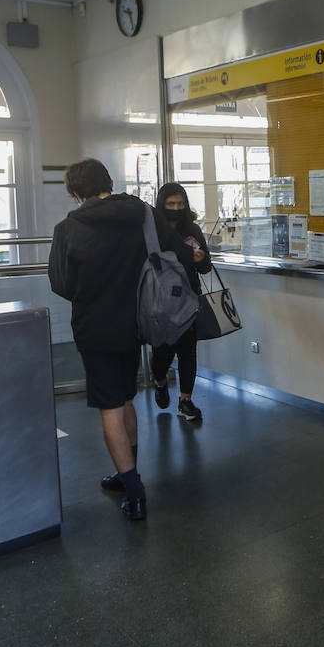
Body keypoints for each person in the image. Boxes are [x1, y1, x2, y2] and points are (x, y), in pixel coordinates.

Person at [48, 159, 191, 521]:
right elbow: (176, 248)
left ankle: (134, 490)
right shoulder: (142, 213)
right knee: (127, 397)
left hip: (95, 327)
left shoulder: (68, 228)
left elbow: (61, 284)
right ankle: (128, 474)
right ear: (109, 181)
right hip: (138, 322)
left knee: (111, 406)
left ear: (75, 192)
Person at [150, 182, 210, 421]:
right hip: (161, 301)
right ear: (162, 205)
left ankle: (185, 400)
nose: (176, 208)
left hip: (189, 299)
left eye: (180, 203)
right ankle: (160, 380)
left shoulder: (192, 231)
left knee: (188, 352)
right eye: (171, 204)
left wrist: (200, 258)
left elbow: (205, 268)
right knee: (163, 352)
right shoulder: (153, 233)